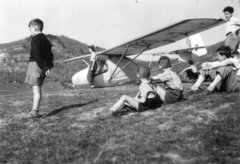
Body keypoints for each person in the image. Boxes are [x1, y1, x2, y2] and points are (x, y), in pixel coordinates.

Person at [25, 18, 54, 118]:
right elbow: (50, 56)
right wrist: (48, 67)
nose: (30, 31)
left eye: (30, 29)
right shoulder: (47, 41)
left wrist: (43, 67)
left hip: (36, 65)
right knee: (37, 88)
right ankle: (35, 110)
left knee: (36, 89)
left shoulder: (35, 39)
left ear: (35, 28)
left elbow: (37, 54)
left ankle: (35, 111)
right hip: (43, 66)